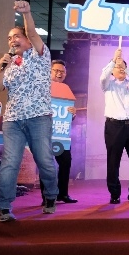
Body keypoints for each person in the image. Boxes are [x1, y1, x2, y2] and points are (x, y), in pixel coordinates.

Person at [0, 0, 59, 222]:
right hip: (13, 120)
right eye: (9, 38)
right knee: (10, 162)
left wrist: (26, 13)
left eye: (16, 36)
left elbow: (31, 31)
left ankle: (50, 196)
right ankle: (4, 207)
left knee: (45, 160)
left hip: (39, 117)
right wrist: (1, 69)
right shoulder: (10, 64)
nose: (12, 40)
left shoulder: (40, 55)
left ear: (28, 40)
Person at [100, 48, 129, 204]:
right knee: (114, 161)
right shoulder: (108, 84)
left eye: (123, 67)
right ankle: (114, 193)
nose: (121, 69)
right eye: (117, 68)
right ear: (112, 71)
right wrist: (114, 60)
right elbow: (103, 76)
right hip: (114, 126)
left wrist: (124, 66)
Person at [40, 60, 78, 205]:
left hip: (61, 136)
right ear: (49, 72)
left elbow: (67, 116)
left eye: (62, 71)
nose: (59, 73)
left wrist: (72, 114)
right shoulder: (42, 88)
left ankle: (63, 194)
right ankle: (47, 197)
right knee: (46, 166)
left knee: (66, 163)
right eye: (56, 70)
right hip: (44, 135)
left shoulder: (66, 89)